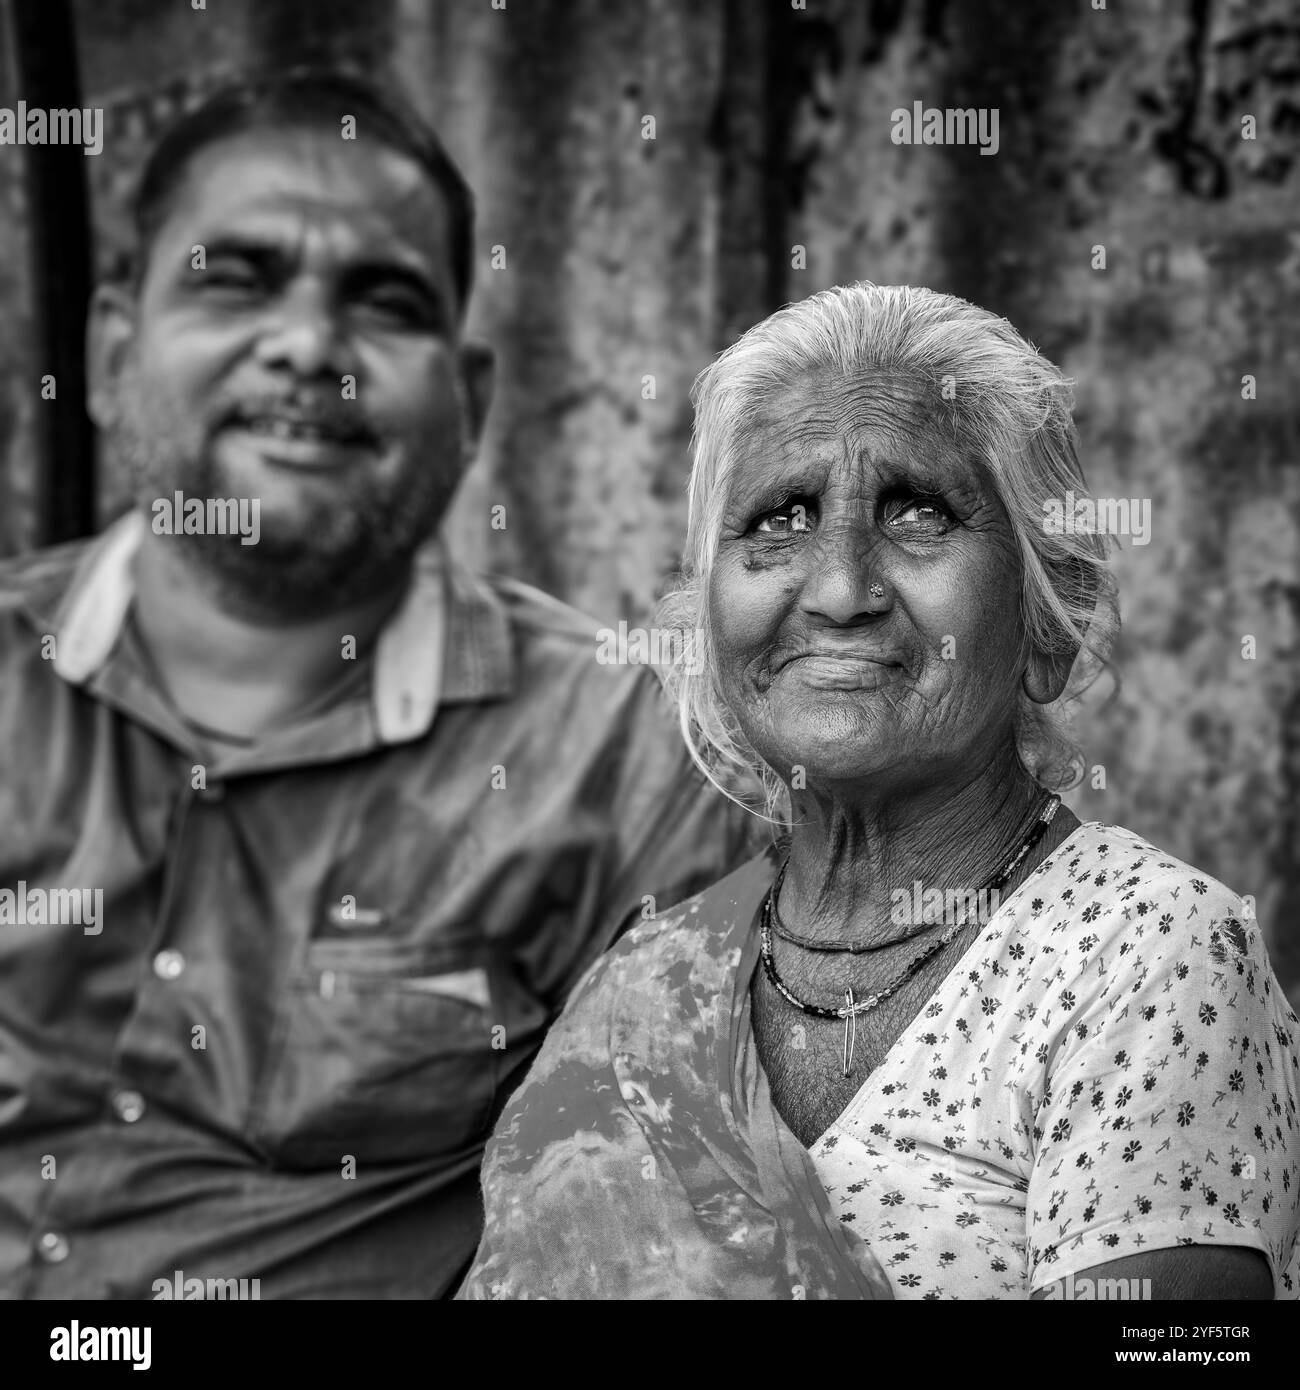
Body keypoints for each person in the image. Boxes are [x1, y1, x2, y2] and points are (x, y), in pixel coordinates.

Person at [0, 68, 755, 1298]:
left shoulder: (626, 759)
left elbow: (677, 1237)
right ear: (110, 352)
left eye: (382, 299)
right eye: (233, 279)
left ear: (466, 404)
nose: (307, 346)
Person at [458, 282, 1300, 1300]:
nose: (840, 589)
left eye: (918, 512)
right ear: (706, 621)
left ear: (1047, 618)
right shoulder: (643, 986)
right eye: (780, 516)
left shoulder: (1144, 955)